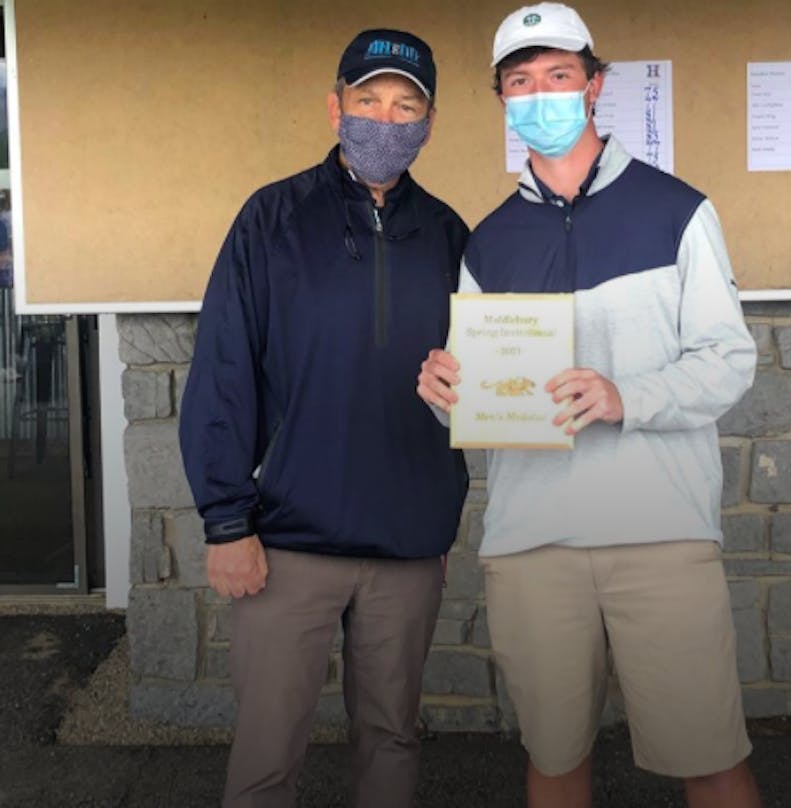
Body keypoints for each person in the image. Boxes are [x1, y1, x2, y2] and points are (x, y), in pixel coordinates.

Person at [416, 4, 762, 807]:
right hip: (533, 543)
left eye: (559, 76)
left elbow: (727, 360)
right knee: (554, 762)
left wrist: (623, 395)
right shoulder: (489, 241)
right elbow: (481, 403)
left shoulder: (678, 210)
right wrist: (444, 396)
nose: (541, 94)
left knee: (710, 762)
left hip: (660, 534)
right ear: (503, 100)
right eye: (520, 81)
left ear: (595, 86)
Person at [179, 28, 468, 808]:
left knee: (393, 741)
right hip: (285, 543)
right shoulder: (271, 219)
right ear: (334, 107)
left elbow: (475, 386)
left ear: (429, 123)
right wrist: (226, 522)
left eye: (406, 105)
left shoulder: (448, 234)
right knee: (269, 754)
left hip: (407, 548)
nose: (386, 118)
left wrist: (440, 517)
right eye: (369, 99)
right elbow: (224, 372)